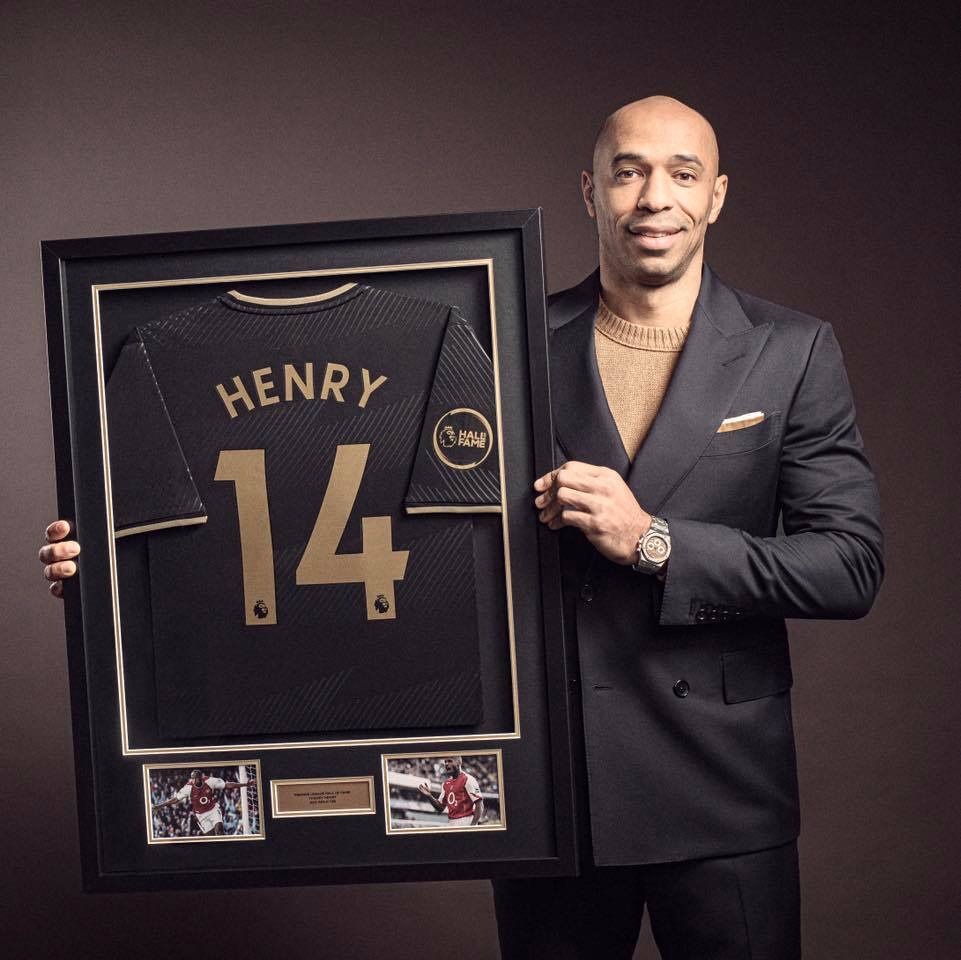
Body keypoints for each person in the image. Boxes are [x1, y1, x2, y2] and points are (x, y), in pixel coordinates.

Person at [41, 95, 883, 958]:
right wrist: (125, 567)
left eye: (682, 174)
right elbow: (330, 495)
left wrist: (653, 541)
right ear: (589, 190)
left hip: (723, 789)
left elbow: (848, 564)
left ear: (716, 195)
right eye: (627, 172)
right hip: (551, 786)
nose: (653, 198)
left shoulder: (791, 349)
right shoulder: (499, 339)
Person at [151, 768, 254, 837]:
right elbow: (175, 799)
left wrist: (245, 784)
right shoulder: (188, 788)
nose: (193, 780)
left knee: (219, 831)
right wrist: (160, 806)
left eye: (195, 778)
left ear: (200, 778)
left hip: (213, 810)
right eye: (192, 778)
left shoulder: (209, 781)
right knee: (211, 838)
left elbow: (227, 785)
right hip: (201, 815)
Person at [417, 756, 485, 827]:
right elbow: (440, 808)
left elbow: (479, 804)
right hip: (452, 822)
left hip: (466, 821)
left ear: (459, 763)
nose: (446, 764)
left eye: (450, 761)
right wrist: (429, 796)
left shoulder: (468, 779)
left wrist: (472, 826)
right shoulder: (446, 784)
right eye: (445, 762)